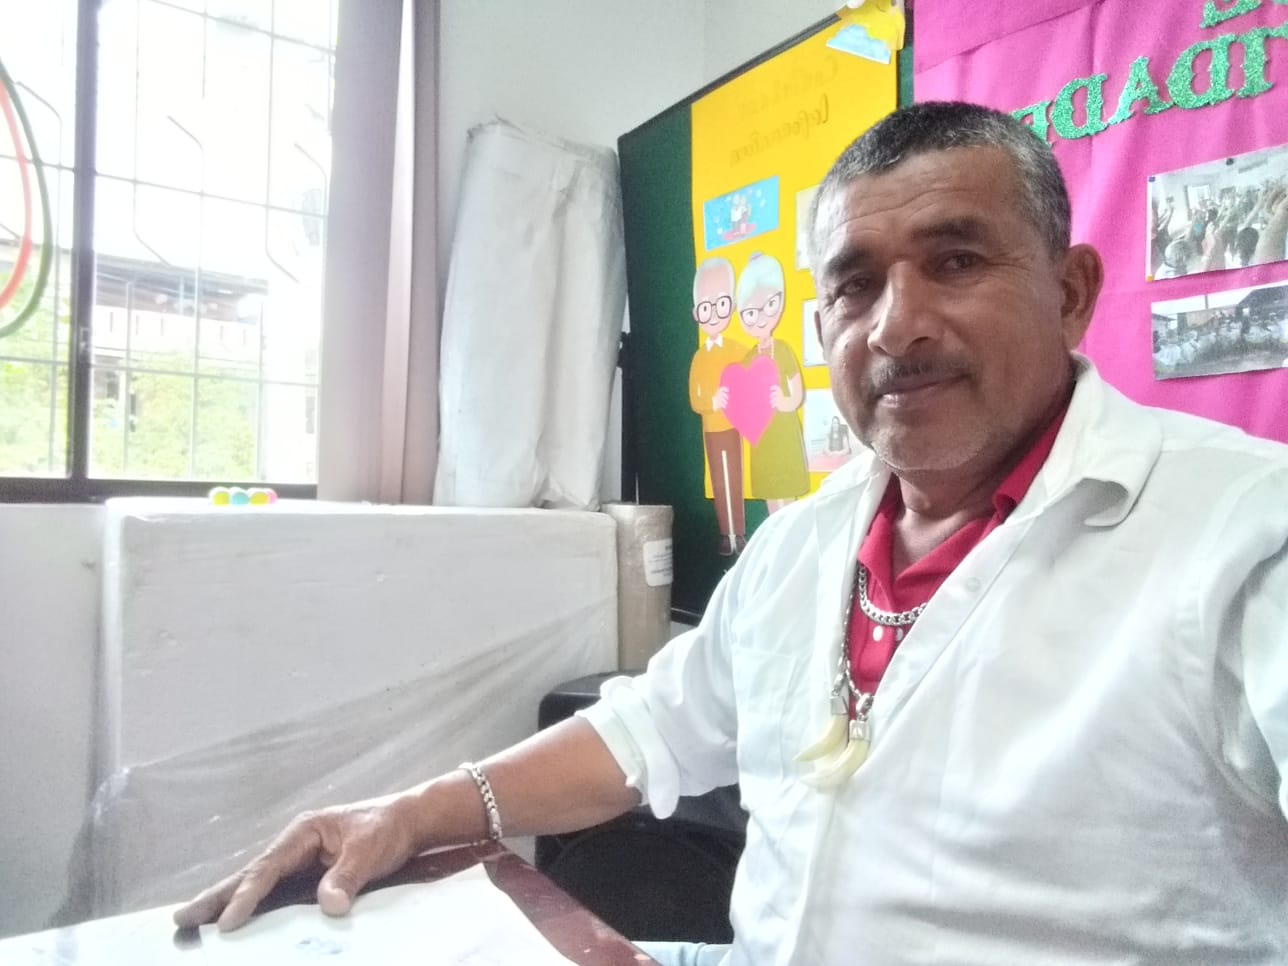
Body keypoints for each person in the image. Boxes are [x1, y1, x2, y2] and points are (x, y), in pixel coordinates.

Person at [174, 102, 1288, 965]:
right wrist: (411, 812)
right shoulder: (802, 544)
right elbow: (648, 733)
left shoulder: (1242, 533)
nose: (897, 324)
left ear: (1071, 291)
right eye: (855, 286)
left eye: (955, 261)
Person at [735, 253, 810, 514]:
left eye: (768, 306)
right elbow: (742, 400)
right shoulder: (748, 358)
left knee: (787, 490)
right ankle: (775, 531)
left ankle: (791, 532)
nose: (760, 319)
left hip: (783, 429)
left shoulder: (783, 350)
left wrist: (786, 402)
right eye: (750, 313)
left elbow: (797, 389)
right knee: (770, 491)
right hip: (762, 435)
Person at [688, 256, 748, 556]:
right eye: (705, 308)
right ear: (696, 313)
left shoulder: (737, 350)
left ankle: (740, 532)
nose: (713, 314)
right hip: (712, 429)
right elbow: (695, 397)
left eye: (720, 304)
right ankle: (727, 534)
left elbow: (750, 381)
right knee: (719, 479)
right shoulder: (700, 358)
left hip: (734, 426)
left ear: (732, 306)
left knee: (734, 477)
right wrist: (712, 401)